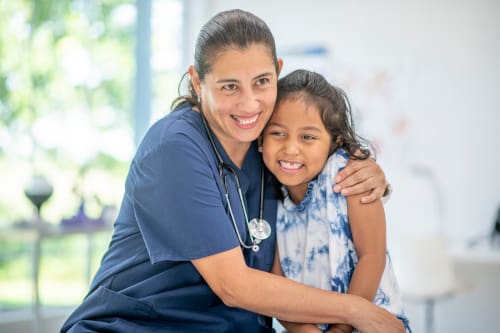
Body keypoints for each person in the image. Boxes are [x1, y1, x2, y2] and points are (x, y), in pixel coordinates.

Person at [61, 9, 402, 333]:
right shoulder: (174, 149)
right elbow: (233, 286)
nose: (249, 103)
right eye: (229, 86)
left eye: (262, 82)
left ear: (277, 72)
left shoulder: (270, 147)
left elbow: (325, 171)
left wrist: (368, 171)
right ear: (197, 81)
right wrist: (357, 311)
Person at [260, 69, 411, 333]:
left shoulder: (350, 176)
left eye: (308, 137)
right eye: (278, 133)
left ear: (335, 141)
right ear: (261, 139)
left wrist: (341, 328)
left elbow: (371, 257)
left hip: (370, 324)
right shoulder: (267, 195)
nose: (291, 148)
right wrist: (304, 330)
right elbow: (276, 281)